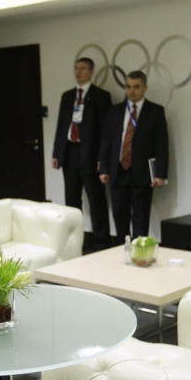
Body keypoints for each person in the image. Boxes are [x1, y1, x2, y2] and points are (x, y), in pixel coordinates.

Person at [99, 71, 169, 240]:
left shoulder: (155, 111)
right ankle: (122, 253)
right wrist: (104, 169)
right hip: (118, 172)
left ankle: (140, 255)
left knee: (141, 219)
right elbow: (107, 141)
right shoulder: (115, 111)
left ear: (144, 88)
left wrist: (161, 174)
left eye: (136, 87)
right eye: (128, 87)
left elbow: (162, 144)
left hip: (142, 174)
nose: (132, 91)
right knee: (120, 217)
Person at [51, 57, 112, 247]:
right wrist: (57, 153)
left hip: (91, 154)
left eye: (83, 69)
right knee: (71, 199)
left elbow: (106, 130)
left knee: (96, 198)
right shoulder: (67, 96)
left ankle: (102, 240)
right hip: (70, 152)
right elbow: (62, 125)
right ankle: (74, 241)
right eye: (76, 68)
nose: (79, 72)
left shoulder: (101, 96)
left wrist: (103, 158)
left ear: (92, 71)